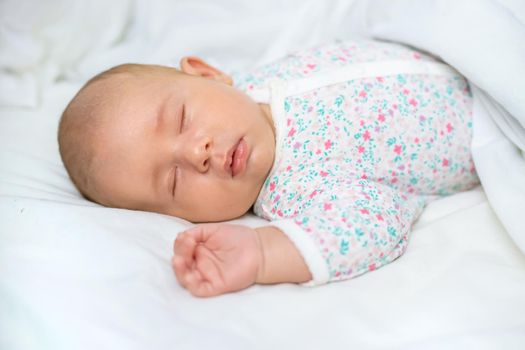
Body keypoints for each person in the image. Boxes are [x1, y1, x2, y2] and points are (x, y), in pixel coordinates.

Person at [58, 39, 479, 297]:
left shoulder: (259, 80)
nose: (196, 153)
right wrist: (262, 254)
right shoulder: (296, 191)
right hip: (490, 114)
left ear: (208, 74)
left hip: (457, 44)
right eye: (173, 179)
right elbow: (369, 227)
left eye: (182, 118)